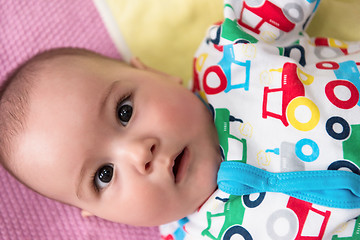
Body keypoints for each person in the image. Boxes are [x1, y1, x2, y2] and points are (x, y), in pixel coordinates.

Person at [0, 0, 359, 239]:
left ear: (153, 73)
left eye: (124, 111)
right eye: (103, 175)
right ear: (104, 217)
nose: (139, 154)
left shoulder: (232, 52)